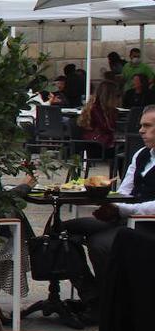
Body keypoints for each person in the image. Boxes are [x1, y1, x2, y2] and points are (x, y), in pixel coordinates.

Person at [65, 105, 155, 291]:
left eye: (147, 126)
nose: (140, 130)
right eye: (141, 125)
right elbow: (124, 192)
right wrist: (107, 202)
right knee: (63, 230)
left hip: (147, 224)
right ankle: (91, 295)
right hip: (125, 218)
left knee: (99, 243)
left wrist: (121, 209)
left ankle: (111, 301)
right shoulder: (141, 155)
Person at [75, 80, 120, 160]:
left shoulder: (92, 107)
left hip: (93, 142)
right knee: (123, 151)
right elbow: (107, 127)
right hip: (97, 145)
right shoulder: (97, 110)